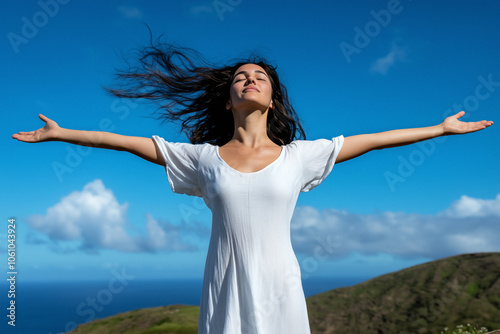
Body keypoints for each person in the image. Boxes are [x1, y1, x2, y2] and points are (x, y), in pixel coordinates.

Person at [12, 41, 493, 333]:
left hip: (279, 282)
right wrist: (63, 133)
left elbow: (370, 141)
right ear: (229, 100)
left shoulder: (297, 157)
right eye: (241, 77)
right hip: (224, 283)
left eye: (259, 77)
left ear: (271, 96)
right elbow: (127, 143)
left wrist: (439, 129)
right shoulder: (201, 158)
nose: (250, 80)